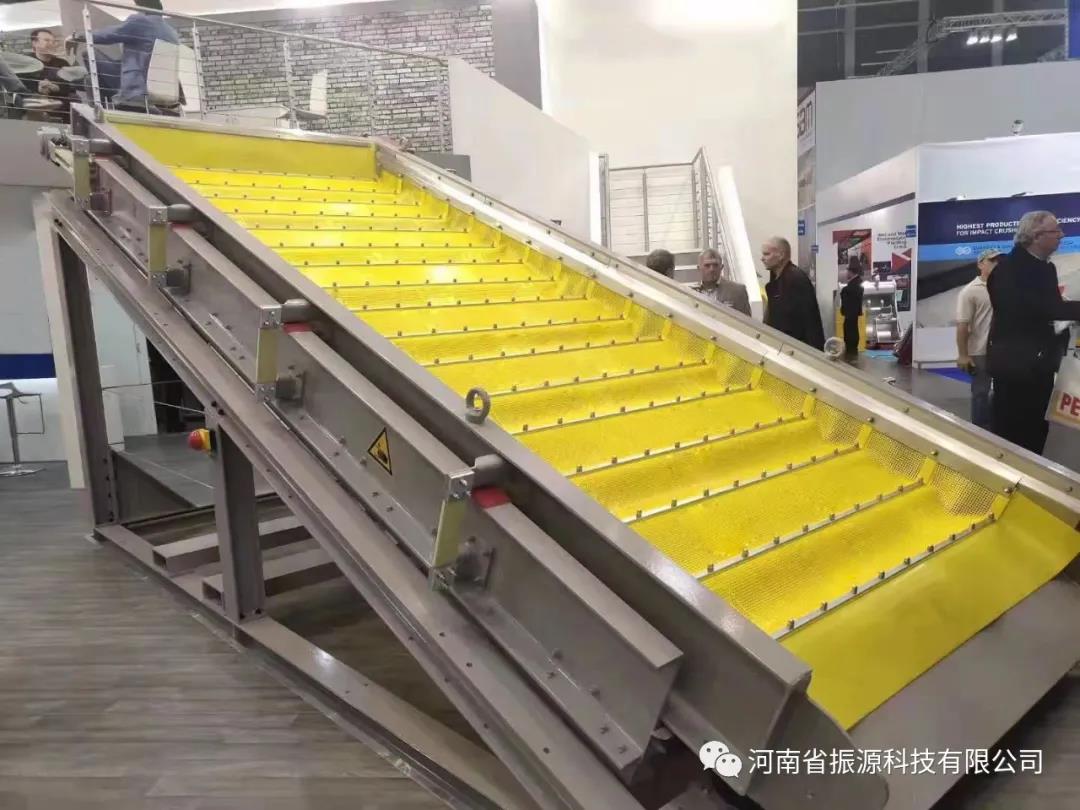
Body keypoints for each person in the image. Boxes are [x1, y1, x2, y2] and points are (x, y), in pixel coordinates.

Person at [987, 211, 1080, 454]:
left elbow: (1049, 308)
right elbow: (1041, 308)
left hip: (1039, 364)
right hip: (1016, 366)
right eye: (1055, 231)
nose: (1061, 235)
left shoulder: (1045, 268)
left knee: (1037, 427)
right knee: (1012, 433)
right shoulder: (1009, 269)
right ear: (1036, 236)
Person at [74, 0, 179, 111]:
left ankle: (100, 111)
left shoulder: (140, 21)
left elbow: (109, 34)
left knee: (88, 59)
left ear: (141, 8)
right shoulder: (171, 32)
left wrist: (77, 36)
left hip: (136, 90)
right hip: (162, 92)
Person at [955, 248, 1002, 430]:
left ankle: (999, 429)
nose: (997, 264)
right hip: (980, 351)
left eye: (999, 261)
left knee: (1003, 392)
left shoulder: (1005, 287)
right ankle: (980, 431)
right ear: (980, 264)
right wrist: (963, 355)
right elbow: (962, 325)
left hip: (1001, 349)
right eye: (992, 261)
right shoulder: (970, 292)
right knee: (981, 392)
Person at [762, 236, 825, 350]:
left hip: (795, 349)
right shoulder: (778, 280)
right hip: (784, 347)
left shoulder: (795, 279)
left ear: (781, 255)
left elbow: (810, 320)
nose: (762, 258)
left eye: (767, 254)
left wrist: (814, 353)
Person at [692, 248, 751, 317]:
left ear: (721, 267)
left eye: (715, 265)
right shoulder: (692, 292)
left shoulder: (737, 291)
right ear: (699, 268)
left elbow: (746, 320)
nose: (712, 269)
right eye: (707, 265)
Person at [840, 256, 864, 359]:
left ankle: (851, 356)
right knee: (852, 331)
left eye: (847, 270)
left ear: (851, 271)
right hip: (853, 317)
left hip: (850, 316)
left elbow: (847, 305)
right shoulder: (857, 283)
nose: (846, 273)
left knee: (850, 334)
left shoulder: (850, 289)